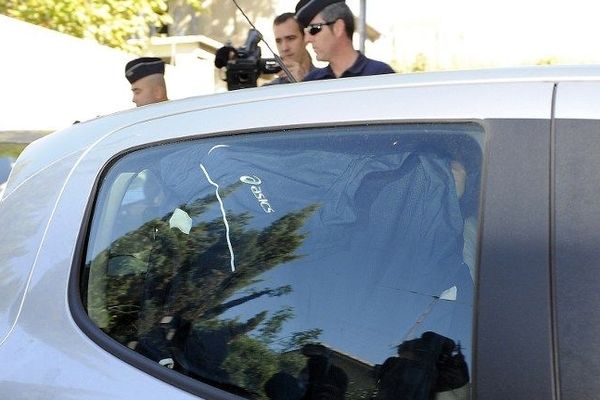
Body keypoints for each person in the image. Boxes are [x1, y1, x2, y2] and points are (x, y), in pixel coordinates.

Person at [295, 0, 395, 81]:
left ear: (338, 28)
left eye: (314, 29)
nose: (307, 39)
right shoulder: (312, 82)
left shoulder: (380, 76)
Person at [267, 12, 316, 84]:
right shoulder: (270, 90)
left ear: (306, 37)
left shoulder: (328, 80)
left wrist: (303, 82)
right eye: (278, 41)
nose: (284, 48)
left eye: (290, 38)